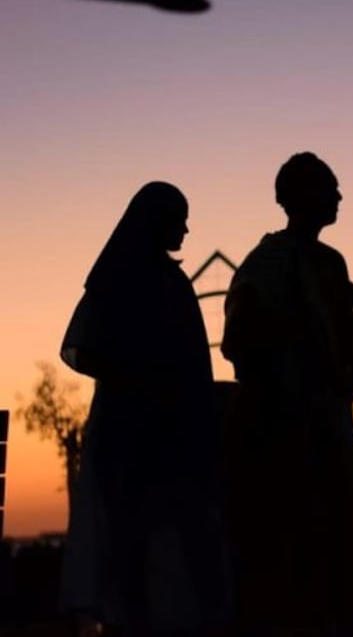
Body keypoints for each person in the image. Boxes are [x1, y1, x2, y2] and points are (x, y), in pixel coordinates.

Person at [221, 152, 353, 635]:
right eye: (329, 188)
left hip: (327, 418)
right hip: (281, 421)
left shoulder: (330, 263)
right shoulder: (267, 263)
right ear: (298, 197)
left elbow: (342, 339)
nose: (338, 197)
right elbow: (244, 340)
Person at [59, 182, 230, 636]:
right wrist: (143, 378)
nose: (187, 229)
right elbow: (86, 350)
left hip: (169, 432)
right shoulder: (121, 281)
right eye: (180, 217)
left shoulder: (170, 282)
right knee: (135, 545)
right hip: (133, 435)